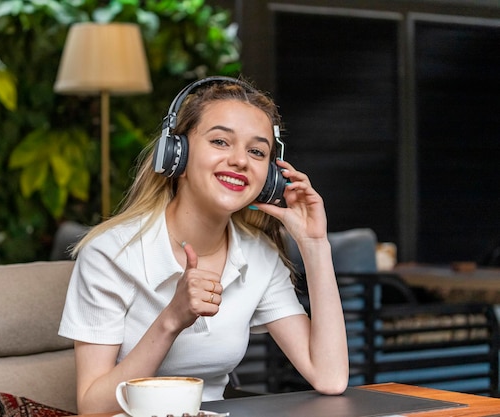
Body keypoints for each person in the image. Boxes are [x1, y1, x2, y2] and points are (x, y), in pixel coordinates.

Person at [59, 76, 349, 414]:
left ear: (269, 177)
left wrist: (314, 244)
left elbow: (330, 377)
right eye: (221, 142)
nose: (240, 160)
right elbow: (92, 408)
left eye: (256, 151)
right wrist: (172, 319)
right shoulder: (111, 254)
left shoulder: (259, 256)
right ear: (176, 156)